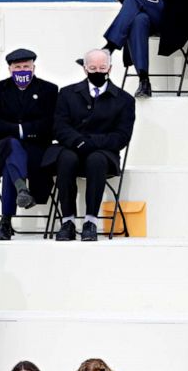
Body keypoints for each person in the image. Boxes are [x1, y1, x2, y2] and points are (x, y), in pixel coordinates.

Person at [45, 49, 136, 241]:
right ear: (85, 69)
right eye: (93, 68)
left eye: (102, 68)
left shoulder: (124, 99)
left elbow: (122, 136)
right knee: (66, 159)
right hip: (71, 147)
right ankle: (67, 220)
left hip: (104, 152)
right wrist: (78, 142)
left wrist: (92, 143)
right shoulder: (67, 93)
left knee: (96, 161)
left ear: (110, 68)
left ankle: (91, 221)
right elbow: (59, 126)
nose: (98, 71)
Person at [0, 48, 59, 240]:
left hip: (36, 147)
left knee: (10, 163)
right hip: (4, 144)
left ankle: (6, 220)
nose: (22, 70)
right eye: (18, 67)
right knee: (11, 146)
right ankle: (22, 191)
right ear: (10, 69)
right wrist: (17, 132)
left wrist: (22, 130)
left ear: (33, 67)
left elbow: (50, 123)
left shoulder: (49, 89)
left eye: (26, 66)